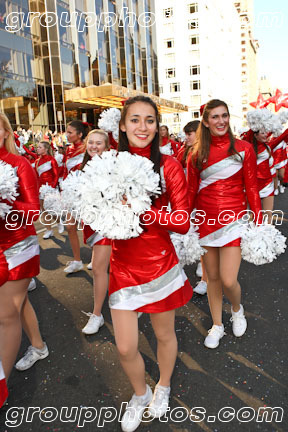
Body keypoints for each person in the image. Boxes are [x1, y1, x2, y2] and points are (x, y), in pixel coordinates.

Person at [109, 96, 192, 432]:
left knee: (163, 333)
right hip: (122, 264)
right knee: (126, 346)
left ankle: (164, 386)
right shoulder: (108, 163)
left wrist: (145, 211)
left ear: (157, 126)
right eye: (135, 120)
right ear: (123, 125)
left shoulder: (169, 165)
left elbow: (183, 220)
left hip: (158, 263)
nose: (142, 127)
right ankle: (140, 393)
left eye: (149, 120)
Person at [187, 99, 262, 349]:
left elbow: (251, 187)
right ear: (206, 122)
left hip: (234, 219)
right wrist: (183, 222)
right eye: (215, 117)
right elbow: (189, 192)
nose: (221, 121)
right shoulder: (196, 153)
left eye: (224, 116)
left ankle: (237, 309)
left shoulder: (244, 148)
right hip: (206, 221)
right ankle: (217, 324)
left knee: (229, 280)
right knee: (213, 278)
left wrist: (259, 222)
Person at [0, 113, 48, 379]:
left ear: (6, 132)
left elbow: (32, 212)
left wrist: (3, 202)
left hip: (17, 246)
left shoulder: (20, 164)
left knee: (6, 314)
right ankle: (39, 347)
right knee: (19, 303)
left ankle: (1, 384)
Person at [81, 130, 112, 334]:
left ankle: (97, 314)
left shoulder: (115, 166)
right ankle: (98, 314)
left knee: (101, 268)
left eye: (98, 143)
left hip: (114, 223)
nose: (93, 146)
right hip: (95, 223)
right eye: (90, 142)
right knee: (102, 268)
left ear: (107, 147)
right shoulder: (83, 168)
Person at [177, 120, 208, 295]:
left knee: (202, 239)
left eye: (189, 134)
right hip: (187, 200)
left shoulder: (207, 153)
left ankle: (205, 278)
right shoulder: (185, 151)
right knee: (184, 237)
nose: (186, 137)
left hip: (203, 202)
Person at [62, 121, 87, 274]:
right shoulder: (68, 150)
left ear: (80, 134)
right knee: (70, 227)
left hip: (86, 192)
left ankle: (99, 256)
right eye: (67, 132)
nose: (67, 134)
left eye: (70, 132)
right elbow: (66, 171)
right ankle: (77, 260)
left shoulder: (87, 147)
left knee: (90, 227)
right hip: (71, 192)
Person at [35, 141, 59, 238]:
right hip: (41, 188)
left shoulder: (52, 160)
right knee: (43, 209)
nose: (38, 149)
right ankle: (49, 230)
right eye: (37, 147)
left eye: (40, 147)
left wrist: (52, 187)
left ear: (45, 149)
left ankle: (59, 221)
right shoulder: (37, 161)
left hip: (50, 188)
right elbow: (36, 176)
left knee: (51, 209)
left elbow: (56, 175)